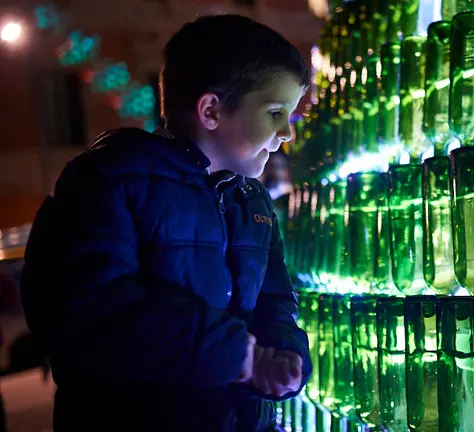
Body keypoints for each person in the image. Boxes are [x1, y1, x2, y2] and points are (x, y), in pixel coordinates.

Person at [20, 14, 311, 432]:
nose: (287, 132)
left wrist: (287, 353)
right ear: (211, 110)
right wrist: (239, 358)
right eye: (275, 111)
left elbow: (276, 298)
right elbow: (88, 310)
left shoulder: (252, 201)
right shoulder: (112, 178)